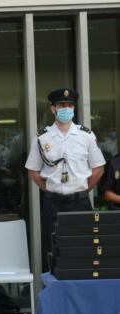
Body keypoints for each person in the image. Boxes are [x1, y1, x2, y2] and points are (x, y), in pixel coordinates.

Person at [25, 88, 105, 272]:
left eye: (69, 105)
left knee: (83, 249)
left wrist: (84, 188)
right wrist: (49, 189)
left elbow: (98, 168)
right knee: (51, 251)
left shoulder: (86, 135)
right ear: (53, 109)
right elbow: (33, 171)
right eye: (61, 105)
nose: (66, 109)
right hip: (53, 203)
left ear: (74, 108)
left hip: (80, 202)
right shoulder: (42, 137)